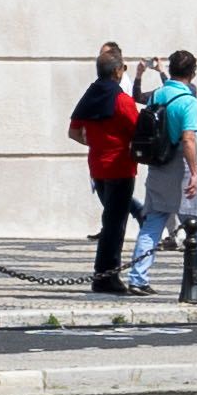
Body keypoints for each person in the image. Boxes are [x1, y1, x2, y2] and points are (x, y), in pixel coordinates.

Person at [132, 50, 197, 291]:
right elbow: (188, 139)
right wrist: (194, 172)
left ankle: (138, 277)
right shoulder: (188, 101)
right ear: (192, 72)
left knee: (154, 220)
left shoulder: (158, 94)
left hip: (158, 163)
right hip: (181, 164)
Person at [71, 43, 144, 292]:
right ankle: (105, 275)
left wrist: (94, 141)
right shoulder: (122, 100)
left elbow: (73, 132)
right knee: (115, 224)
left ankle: (104, 273)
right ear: (118, 72)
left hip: (97, 167)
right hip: (121, 167)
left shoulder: (89, 96)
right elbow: (137, 130)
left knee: (109, 219)